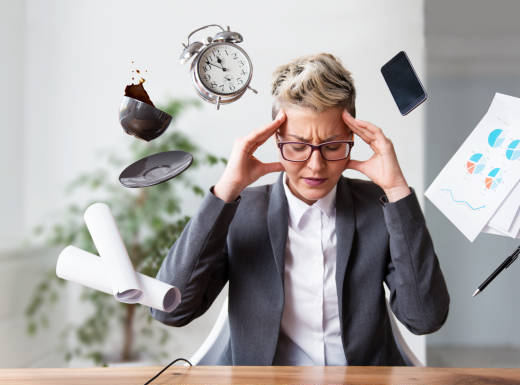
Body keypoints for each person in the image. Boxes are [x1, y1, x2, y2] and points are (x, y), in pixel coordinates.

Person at [150, 53, 449, 366]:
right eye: (297, 146)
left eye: (333, 147)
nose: (315, 165)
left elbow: (425, 319)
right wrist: (225, 190)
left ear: (352, 138)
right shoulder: (241, 210)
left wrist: (397, 189)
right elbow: (169, 310)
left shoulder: (380, 207)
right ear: (276, 139)